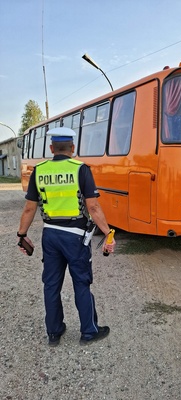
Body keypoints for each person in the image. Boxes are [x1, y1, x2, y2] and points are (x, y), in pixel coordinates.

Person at [17, 127, 116, 346]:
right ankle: (88, 332)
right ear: (73, 148)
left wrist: (22, 235)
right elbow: (93, 207)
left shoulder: (39, 171)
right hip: (75, 237)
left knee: (51, 284)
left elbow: (29, 209)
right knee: (81, 282)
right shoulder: (80, 169)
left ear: (52, 148)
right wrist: (108, 234)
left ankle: (54, 332)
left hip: (50, 235)